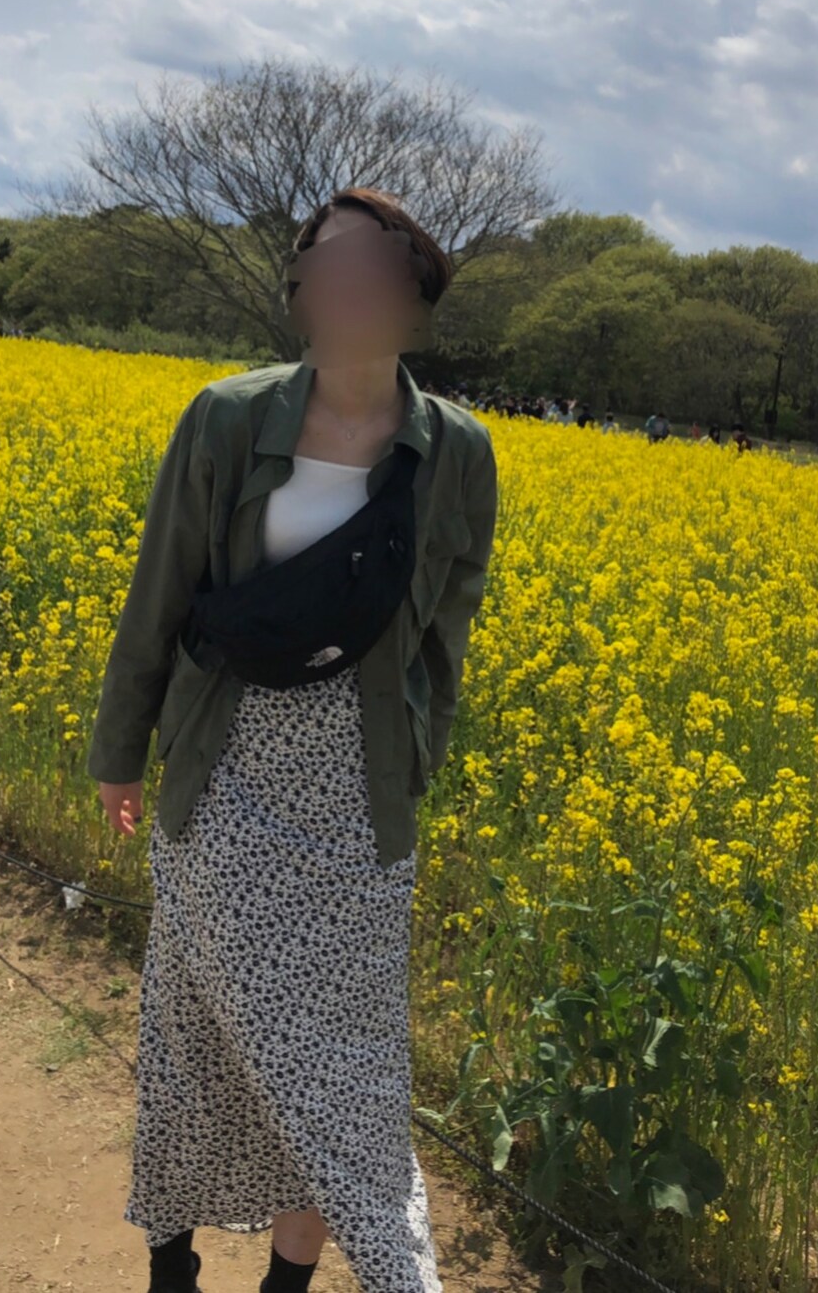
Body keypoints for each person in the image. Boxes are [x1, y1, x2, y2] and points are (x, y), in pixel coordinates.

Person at [86, 186, 498, 1293]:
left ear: (415, 291)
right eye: (330, 262)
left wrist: (415, 759)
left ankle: (297, 1281)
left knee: (344, 1071)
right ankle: (172, 1264)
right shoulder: (227, 418)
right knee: (199, 1037)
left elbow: (446, 636)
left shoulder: (458, 451)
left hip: (360, 798)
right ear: (301, 286)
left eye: (378, 265)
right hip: (225, 770)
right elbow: (161, 590)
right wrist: (121, 751)